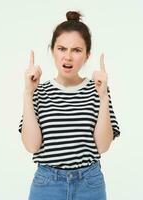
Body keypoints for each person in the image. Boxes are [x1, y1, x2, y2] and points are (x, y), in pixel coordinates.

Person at [18, 10, 121, 200]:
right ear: (52, 51)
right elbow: (32, 146)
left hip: (89, 184)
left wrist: (104, 96)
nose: (68, 57)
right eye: (62, 49)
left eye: (76, 50)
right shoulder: (38, 91)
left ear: (87, 55)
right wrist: (28, 93)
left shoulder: (97, 89)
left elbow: (103, 146)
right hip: (47, 184)